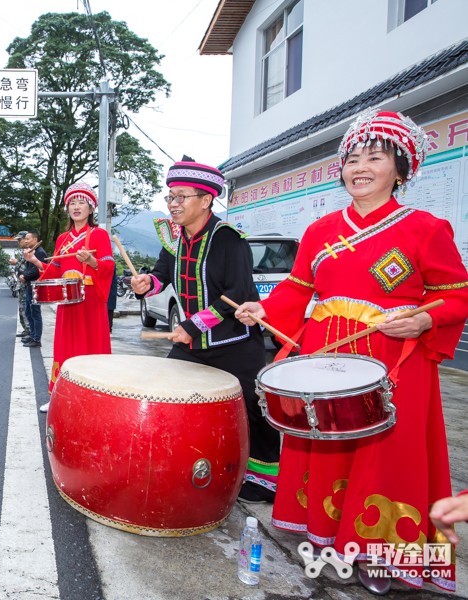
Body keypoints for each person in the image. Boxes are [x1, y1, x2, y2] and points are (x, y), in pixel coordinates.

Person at [234, 110, 468, 594]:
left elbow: (457, 293)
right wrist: (264, 309)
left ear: (400, 170)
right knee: (326, 445)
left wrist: (425, 317)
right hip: (326, 352)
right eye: (352, 158)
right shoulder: (320, 231)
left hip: (394, 356)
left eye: (375, 157)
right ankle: (329, 543)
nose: (360, 167)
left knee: (386, 454)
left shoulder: (426, 228)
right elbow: (297, 292)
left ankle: (382, 557)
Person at [129, 156, 279, 505]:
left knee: (253, 406)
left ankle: (264, 478)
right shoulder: (174, 239)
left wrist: (192, 326)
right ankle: (183, 458)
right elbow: (161, 276)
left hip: (235, 341)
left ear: (206, 200)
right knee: (169, 394)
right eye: (170, 197)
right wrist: (144, 284)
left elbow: (237, 296)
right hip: (193, 339)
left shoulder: (229, 239)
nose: (173, 204)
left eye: (182, 197)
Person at [24, 182, 115, 412]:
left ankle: (95, 397)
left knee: (90, 346)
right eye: (72, 202)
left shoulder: (99, 235)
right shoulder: (63, 239)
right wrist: (35, 261)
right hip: (68, 301)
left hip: (91, 300)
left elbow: (108, 266)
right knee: (64, 347)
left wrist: (91, 261)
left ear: (91, 208)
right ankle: (59, 395)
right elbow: (54, 270)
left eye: (81, 202)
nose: (76, 206)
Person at [20, 230, 47, 348]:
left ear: (35, 240)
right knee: (28, 311)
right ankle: (32, 335)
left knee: (35, 312)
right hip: (29, 285)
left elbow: (37, 270)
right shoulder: (32, 251)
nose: (26, 241)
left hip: (35, 286)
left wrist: (25, 275)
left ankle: (36, 338)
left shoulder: (40, 253)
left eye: (28, 238)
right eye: (25, 239)